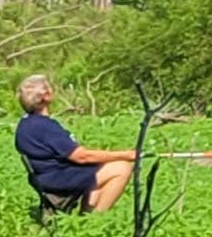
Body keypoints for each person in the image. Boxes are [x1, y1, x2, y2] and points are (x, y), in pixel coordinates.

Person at [13, 75, 139, 214]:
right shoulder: (44, 126)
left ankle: (87, 216)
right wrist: (127, 155)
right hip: (58, 179)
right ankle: (97, 219)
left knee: (98, 170)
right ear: (46, 96)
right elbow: (81, 157)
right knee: (121, 168)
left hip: (48, 177)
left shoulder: (26, 124)